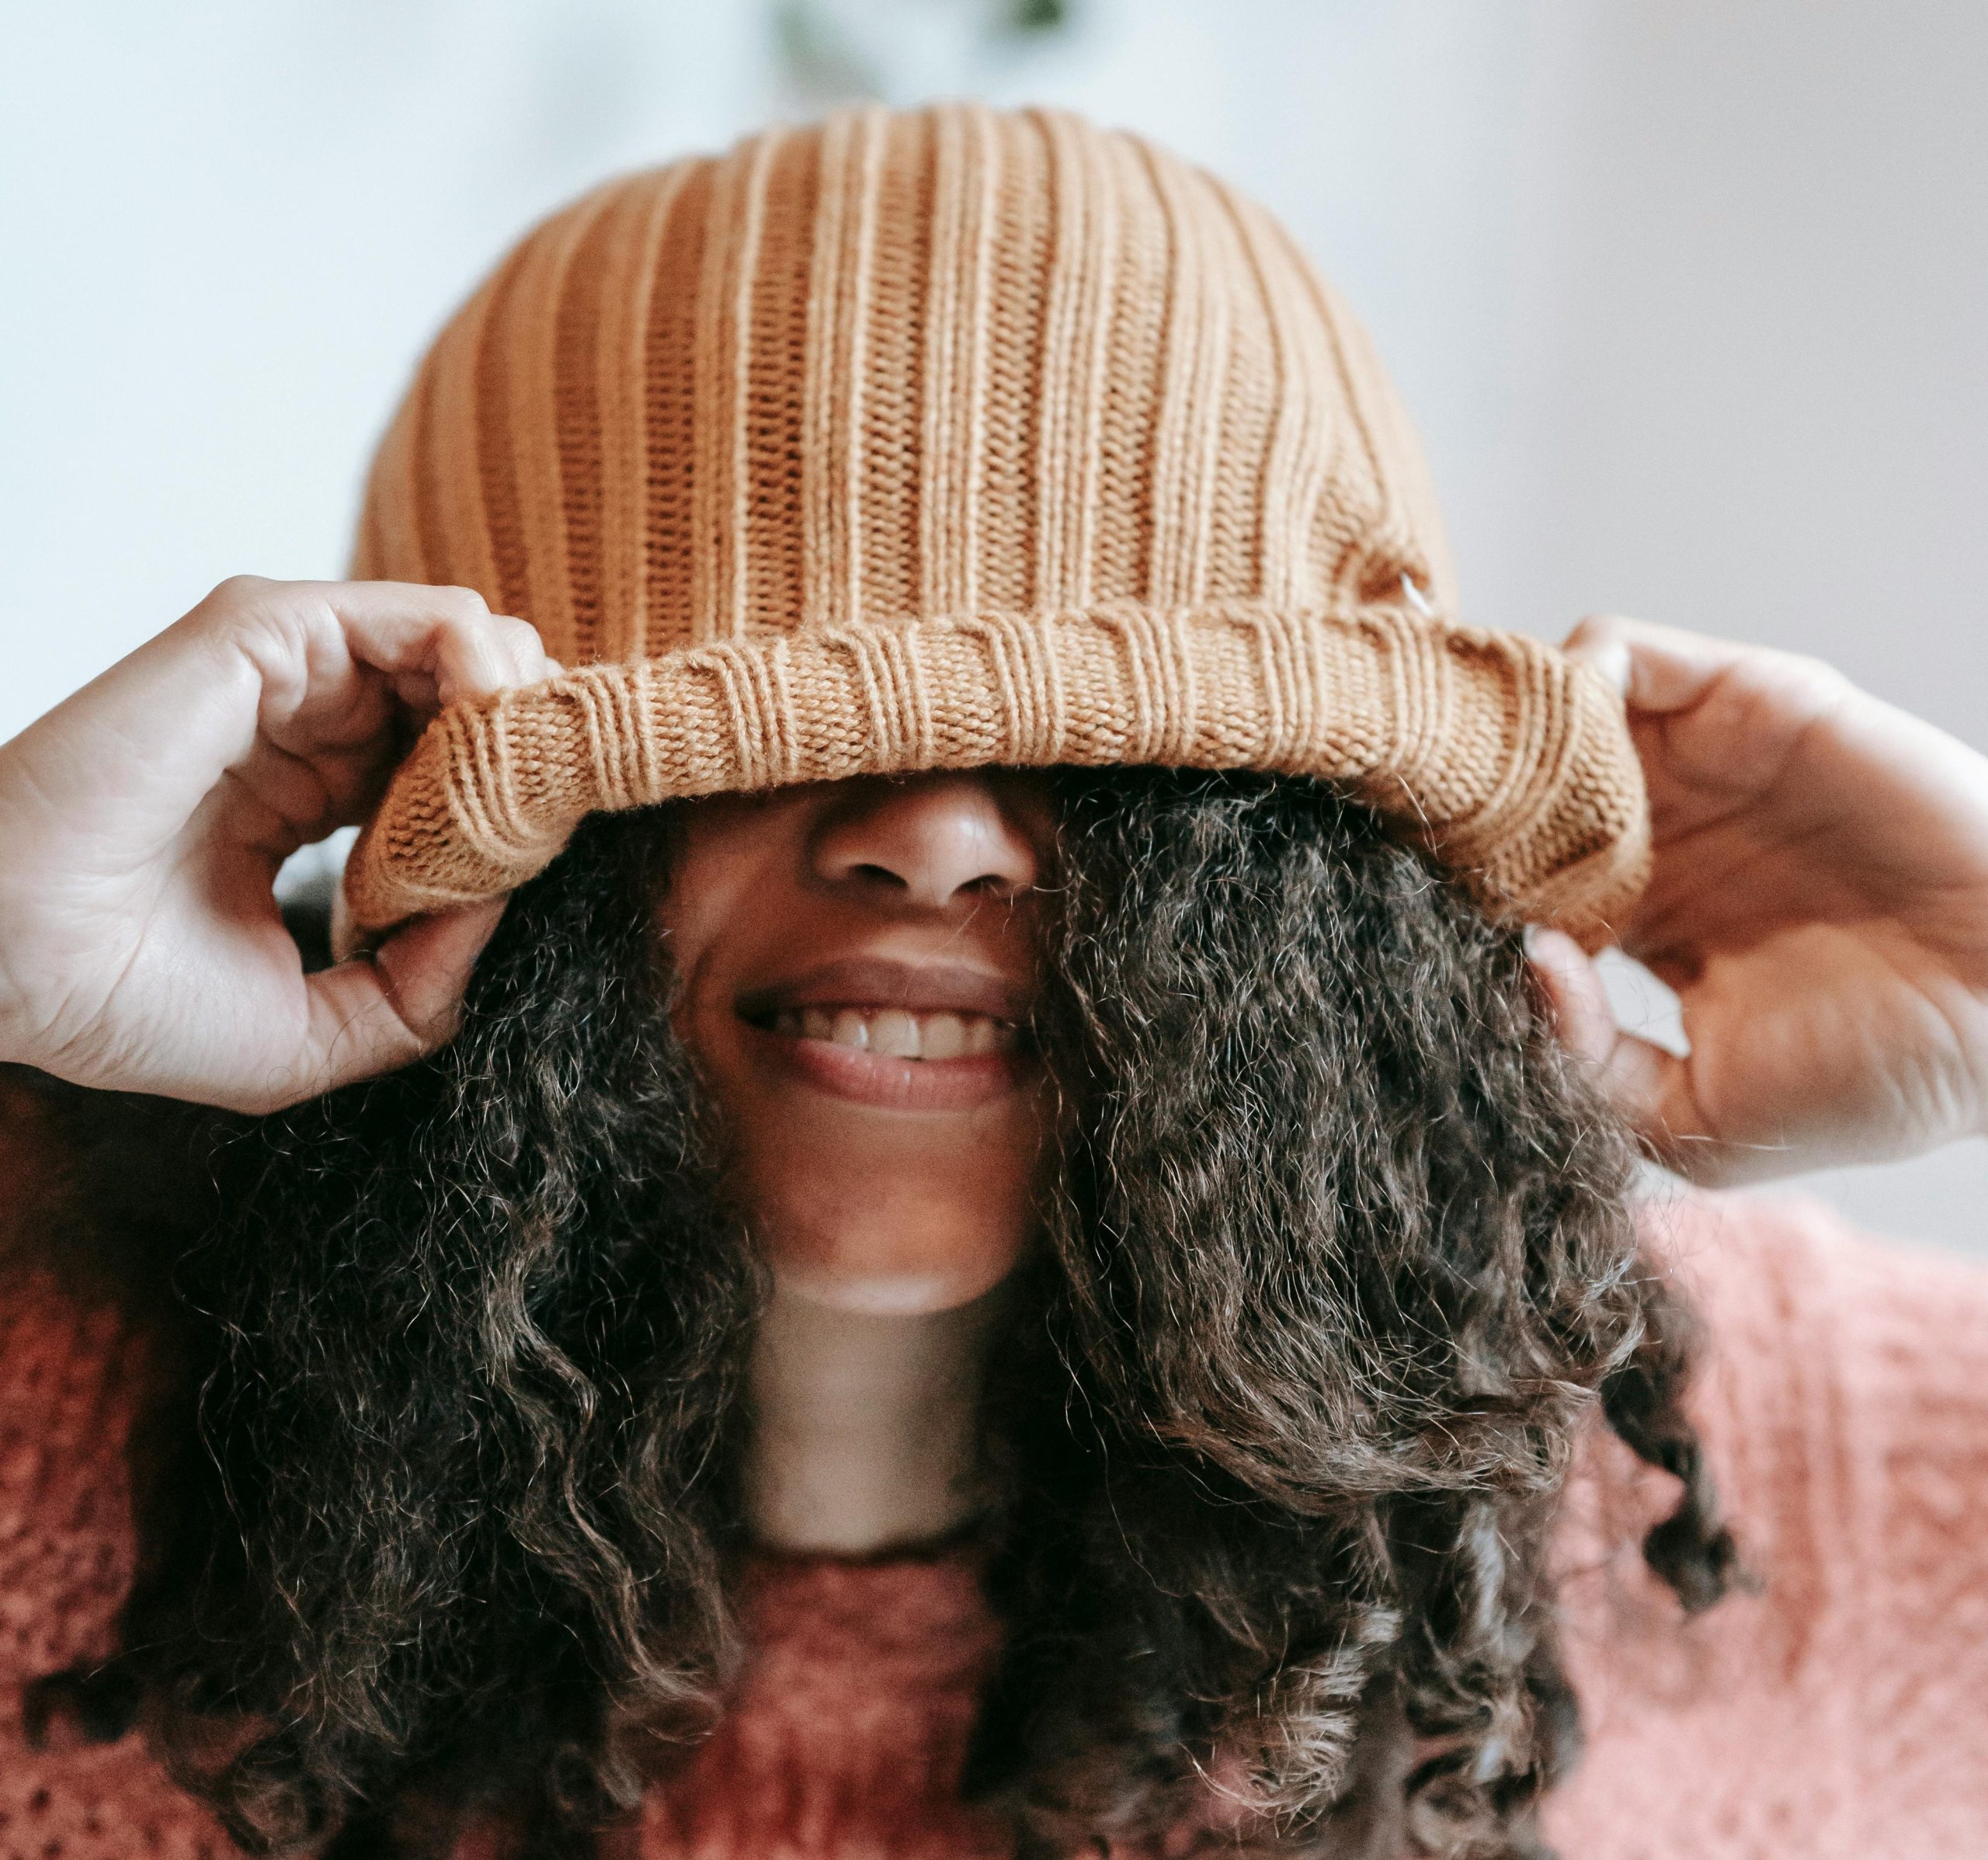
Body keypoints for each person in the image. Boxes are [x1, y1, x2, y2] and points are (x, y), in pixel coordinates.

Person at [1, 103, 1985, 1860]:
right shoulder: (49, 1394)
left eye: (1107, 747)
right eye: (743, 726)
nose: (932, 833)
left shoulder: (1727, 1472)